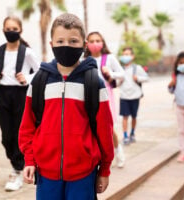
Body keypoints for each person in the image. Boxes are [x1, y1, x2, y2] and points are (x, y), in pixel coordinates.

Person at [18, 13, 114, 200]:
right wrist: (29, 159)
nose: (66, 46)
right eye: (60, 41)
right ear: (51, 44)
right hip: (46, 173)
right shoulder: (40, 81)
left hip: (83, 174)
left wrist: (105, 169)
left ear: (84, 45)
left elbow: (105, 129)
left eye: (73, 41)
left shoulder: (94, 82)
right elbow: (28, 125)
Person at [0, 16, 40, 191]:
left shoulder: (27, 52)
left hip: (20, 94)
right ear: (3, 29)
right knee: (6, 136)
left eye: (14, 29)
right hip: (3, 94)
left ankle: (17, 169)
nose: (11, 32)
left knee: (20, 132)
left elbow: (41, 71)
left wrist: (26, 78)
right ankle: (17, 164)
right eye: (8, 28)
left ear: (20, 30)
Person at [84, 31, 125, 168]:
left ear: (102, 42)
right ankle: (97, 157)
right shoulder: (84, 61)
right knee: (92, 127)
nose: (95, 43)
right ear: (87, 44)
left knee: (109, 127)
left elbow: (122, 74)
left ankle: (118, 152)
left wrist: (110, 73)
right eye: (92, 41)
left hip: (106, 96)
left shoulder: (109, 58)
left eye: (98, 40)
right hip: (89, 97)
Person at [119, 47, 149, 144]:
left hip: (135, 96)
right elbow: (116, 83)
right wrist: (119, 81)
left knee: (134, 116)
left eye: (127, 54)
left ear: (132, 56)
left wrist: (138, 78)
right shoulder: (120, 69)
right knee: (124, 117)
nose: (125, 56)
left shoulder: (137, 68)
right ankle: (125, 136)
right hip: (124, 96)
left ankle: (132, 133)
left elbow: (147, 78)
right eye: (124, 54)